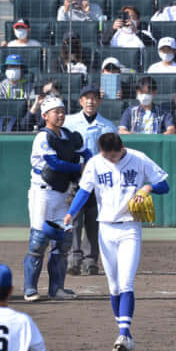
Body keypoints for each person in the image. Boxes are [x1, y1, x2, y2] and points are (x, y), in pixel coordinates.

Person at [64, 132, 169, 351]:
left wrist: (147, 188)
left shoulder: (139, 159)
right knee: (113, 287)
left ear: (122, 147)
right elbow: (85, 190)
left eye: (112, 156)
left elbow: (164, 184)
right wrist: (71, 213)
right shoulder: (95, 162)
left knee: (126, 283)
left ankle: (123, 332)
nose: (109, 160)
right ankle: (125, 336)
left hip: (130, 228)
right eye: (106, 156)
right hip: (106, 230)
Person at [25, 96, 89, 302]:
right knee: (38, 241)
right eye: (55, 111)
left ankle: (57, 288)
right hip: (43, 193)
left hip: (63, 193)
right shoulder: (43, 137)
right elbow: (54, 164)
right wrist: (79, 168)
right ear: (45, 116)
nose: (60, 115)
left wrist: (89, 163)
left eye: (62, 111)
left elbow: (86, 153)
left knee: (63, 242)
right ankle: (30, 289)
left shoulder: (70, 136)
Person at [63, 85, 116, 276]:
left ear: (99, 101)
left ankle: (91, 259)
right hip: (75, 177)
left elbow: (113, 154)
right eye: (86, 97)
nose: (90, 101)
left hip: (99, 180)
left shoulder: (108, 126)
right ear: (80, 101)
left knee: (94, 220)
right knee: (74, 218)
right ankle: (73, 257)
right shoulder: (69, 123)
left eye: (94, 98)